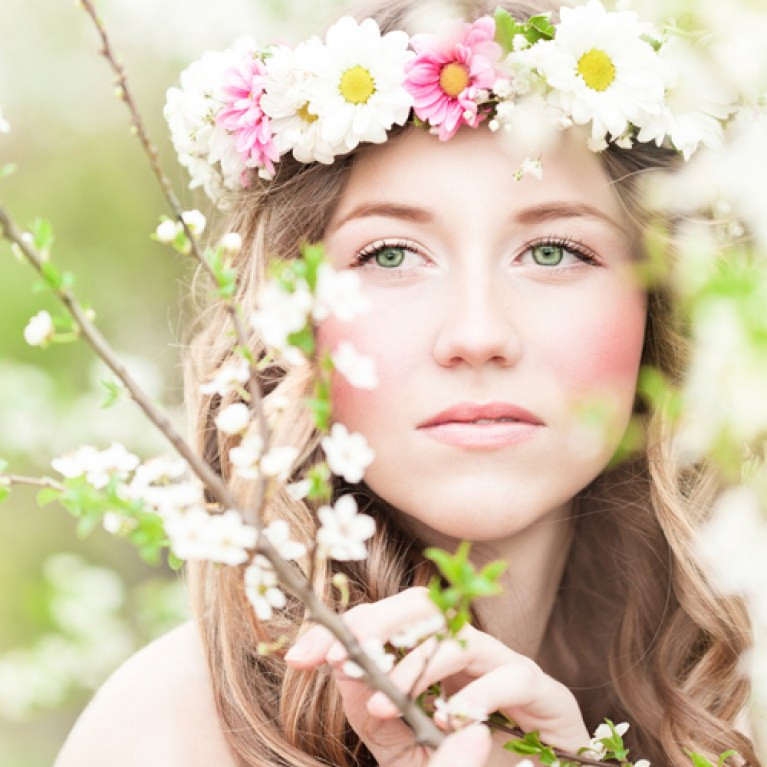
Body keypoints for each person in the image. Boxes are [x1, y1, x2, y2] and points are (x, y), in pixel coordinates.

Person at [55, 0, 760, 765]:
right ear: (291, 319)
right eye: (390, 255)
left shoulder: (736, 700)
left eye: (553, 251)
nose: (476, 335)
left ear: (661, 302)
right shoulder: (165, 733)